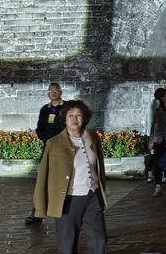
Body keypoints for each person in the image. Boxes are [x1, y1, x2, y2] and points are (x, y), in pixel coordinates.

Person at [32, 100, 107, 254]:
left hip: (93, 195)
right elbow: (43, 175)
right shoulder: (54, 143)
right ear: (64, 119)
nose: (74, 119)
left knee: (99, 240)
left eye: (78, 115)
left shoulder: (92, 137)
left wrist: (100, 190)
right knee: (68, 244)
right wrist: (40, 206)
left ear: (84, 118)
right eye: (70, 115)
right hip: (68, 199)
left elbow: (99, 167)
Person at [26, 82, 66, 224]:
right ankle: (38, 212)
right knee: (44, 179)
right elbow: (40, 128)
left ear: (60, 92)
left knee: (65, 179)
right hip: (48, 148)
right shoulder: (45, 109)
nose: (53, 93)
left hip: (64, 149)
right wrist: (47, 140)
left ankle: (66, 212)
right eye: (50, 91)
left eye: (55, 91)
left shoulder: (67, 107)